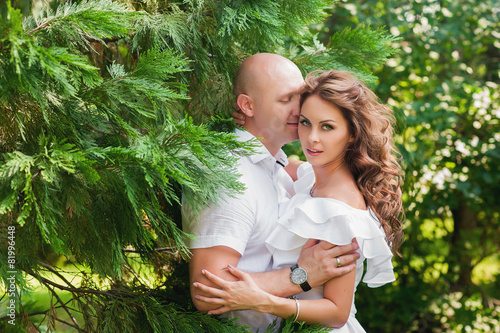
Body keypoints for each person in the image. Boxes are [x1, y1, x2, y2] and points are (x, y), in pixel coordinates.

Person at [192, 69, 405, 332]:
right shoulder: (310, 177)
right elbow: (280, 163)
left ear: (352, 133)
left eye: (327, 126)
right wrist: (249, 118)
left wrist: (266, 302)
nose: (312, 137)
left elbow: (337, 312)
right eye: (305, 122)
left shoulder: (337, 209)